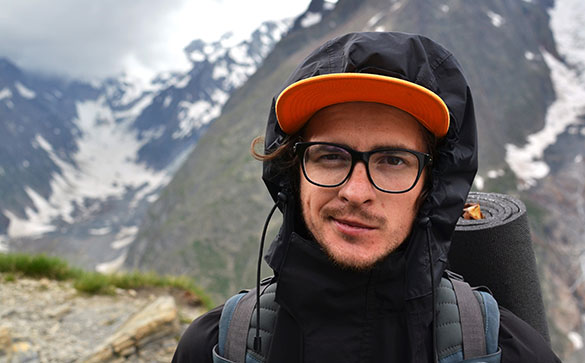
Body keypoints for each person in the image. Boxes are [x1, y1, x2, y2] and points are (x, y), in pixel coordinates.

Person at [172, 32, 560, 362]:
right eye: (330, 156)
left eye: (393, 160)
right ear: (293, 171)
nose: (356, 192)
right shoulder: (217, 349)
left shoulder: (509, 353)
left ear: (432, 184)